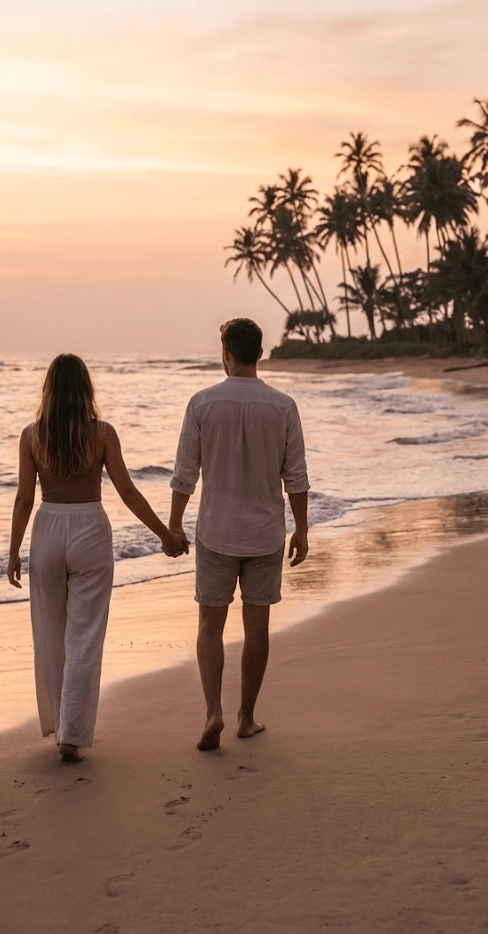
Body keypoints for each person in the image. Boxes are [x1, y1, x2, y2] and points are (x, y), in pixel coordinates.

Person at [8, 353, 186, 763]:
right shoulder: (102, 433)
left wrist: (14, 551)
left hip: (48, 530)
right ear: (86, 389)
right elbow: (126, 491)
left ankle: (60, 725)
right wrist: (166, 535)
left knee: (51, 633)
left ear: (48, 390)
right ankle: (72, 732)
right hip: (90, 529)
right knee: (84, 635)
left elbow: (23, 499)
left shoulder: (32, 436)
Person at [168, 318, 309, 751]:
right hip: (265, 533)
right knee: (257, 627)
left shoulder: (202, 403)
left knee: (210, 625)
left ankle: (214, 712)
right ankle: (246, 718)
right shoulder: (283, 406)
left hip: (216, 533)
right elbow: (297, 478)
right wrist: (301, 528)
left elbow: (184, 475)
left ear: (225, 353)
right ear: (259, 354)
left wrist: (174, 525)